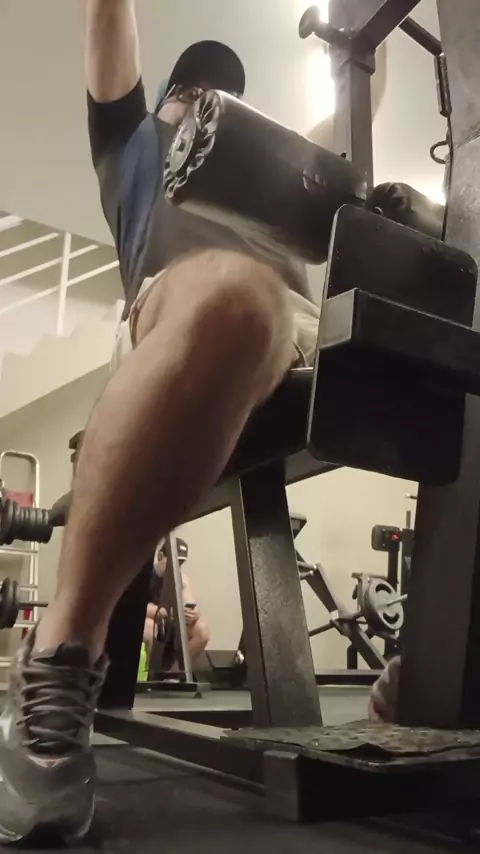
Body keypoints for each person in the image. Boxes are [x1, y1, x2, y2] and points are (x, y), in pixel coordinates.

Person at [0, 0, 321, 841]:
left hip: (307, 329)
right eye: (190, 89)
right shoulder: (133, 144)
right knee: (240, 298)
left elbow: (344, 117)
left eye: (224, 94)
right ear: (167, 99)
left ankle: (432, 674)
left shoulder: (270, 168)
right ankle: (61, 652)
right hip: (182, 308)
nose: (206, 99)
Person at [143, 539, 210, 671]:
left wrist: (193, 613)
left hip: (169, 623)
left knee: (203, 630)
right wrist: (164, 611)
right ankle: (151, 675)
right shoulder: (145, 576)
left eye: (179, 563)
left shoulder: (181, 579)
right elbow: (137, 608)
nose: (176, 567)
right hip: (149, 621)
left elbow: (191, 603)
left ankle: (174, 673)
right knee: (153, 629)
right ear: (160, 556)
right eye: (173, 562)